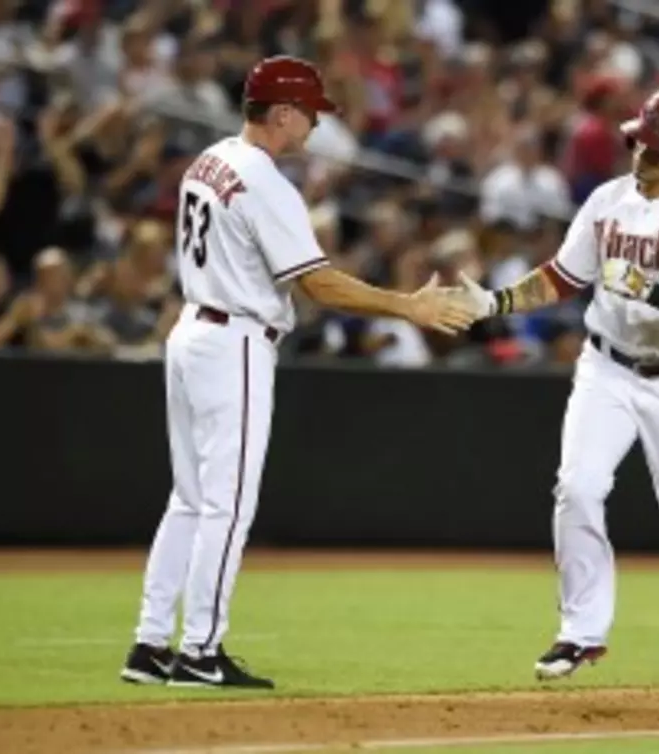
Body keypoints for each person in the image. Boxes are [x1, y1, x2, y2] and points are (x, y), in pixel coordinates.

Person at [120, 55, 475, 690]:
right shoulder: (264, 180)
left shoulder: (211, 158)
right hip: (235, 341)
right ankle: (199, 651)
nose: (314, 124)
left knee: (191, 500)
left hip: (191, 332)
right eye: (310, 113)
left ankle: (149, 643)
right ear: (281, 112)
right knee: (226, 506)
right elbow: (318, 283)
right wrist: (407, 305)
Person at [457, 90, 659, 680]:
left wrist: (651, 288)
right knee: (578, 487)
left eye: (658, 147)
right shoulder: (608, 199)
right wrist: (497, 301)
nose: (641, 152)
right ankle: (580, 632)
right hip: (605, 366)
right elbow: (563, 276)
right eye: (639, 139)